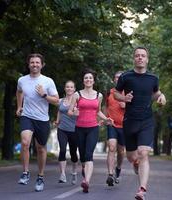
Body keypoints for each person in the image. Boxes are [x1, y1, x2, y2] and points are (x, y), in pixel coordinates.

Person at [114, 47, 166, 200]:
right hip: (130, 121)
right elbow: (116, 93)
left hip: (146, 121)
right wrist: (124, 98)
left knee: (143, 152)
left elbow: (156, 92)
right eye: (137, 56)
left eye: (143, 56)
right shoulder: (126, 76)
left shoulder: (153, 78)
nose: (140, 58)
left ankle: (142, 190)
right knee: (131, 157)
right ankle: (135, 163)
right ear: (134, 58)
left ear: (147, 59)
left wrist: (161, 97)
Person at [16, 53, 59, 192]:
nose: (34, 65)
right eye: (32, 62)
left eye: (37, 62)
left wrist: (44, 95)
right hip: (27, 116)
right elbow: (19, 92)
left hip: (42, 119)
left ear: (42, 65)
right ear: (28, 64)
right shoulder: (22, 80)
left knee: (40, 148)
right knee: (25, 142)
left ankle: (40, 176)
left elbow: (57, 100)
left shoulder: (48, 81)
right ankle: (25, 173)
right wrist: (19, 106)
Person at [68, 68, 113, 193]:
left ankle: (86, 181)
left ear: (93, 81)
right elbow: (70, 111)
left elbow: (98, 111)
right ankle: (84, 168)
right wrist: (74, 113)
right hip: (79, 128)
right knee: (82, 156)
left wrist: (107, 118)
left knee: (89, 155)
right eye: (86, 78)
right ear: (83, 81)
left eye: (90, 78)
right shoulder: (77, 95)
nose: (88, 80)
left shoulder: (99, 95)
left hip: (93, 128)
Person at [54, 80, 78, 185]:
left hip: (74, 130)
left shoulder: (78, 101)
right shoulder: (60, 101)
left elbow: (80, 114)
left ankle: (74, 172)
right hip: (62, 129)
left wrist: (76, 113)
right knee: (62, 150)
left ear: (74, 89)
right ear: (65, 88)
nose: (69, 89)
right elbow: (59, 111)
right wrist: (57, 121)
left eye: (71, 87)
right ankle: (62, 174)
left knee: (73, 153)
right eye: (67, 87)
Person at [105, 71, 125, 186]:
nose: (118, 79)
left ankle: (118, 168)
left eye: (120, 77)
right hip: (112, 124)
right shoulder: (110, 92)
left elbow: (136, 108)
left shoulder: (128, 93)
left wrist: (126, 105)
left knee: (121, 151)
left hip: (124, 126)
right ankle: (110, 174)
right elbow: (105, 107)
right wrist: (104, 119)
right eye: (116, 77)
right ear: (114, 80)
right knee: (111, 147)